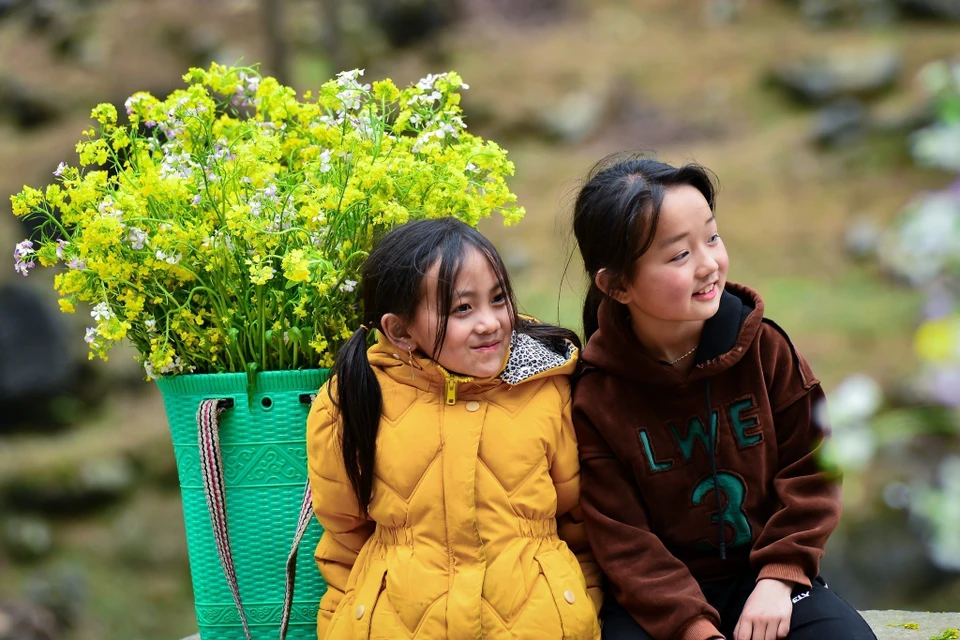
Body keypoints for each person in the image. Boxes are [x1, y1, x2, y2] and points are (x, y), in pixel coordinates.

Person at [569, 156, 877, 640]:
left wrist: (779, 576)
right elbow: (622, 539)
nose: (709, 263)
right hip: (657, 603)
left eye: (711, 237)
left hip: (769, 581)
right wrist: (693, 627)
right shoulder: (597, 395)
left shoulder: (765, 349)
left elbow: (814, 467)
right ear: (617, 285)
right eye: (678, 256)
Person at [307, 217, 602, 639]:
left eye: (498, 299)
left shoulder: (547, 387)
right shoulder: (350, 400)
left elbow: (580, 522)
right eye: (462, 308)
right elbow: (343, 537)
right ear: (400, 330)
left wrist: (581, 609)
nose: (490, 322)